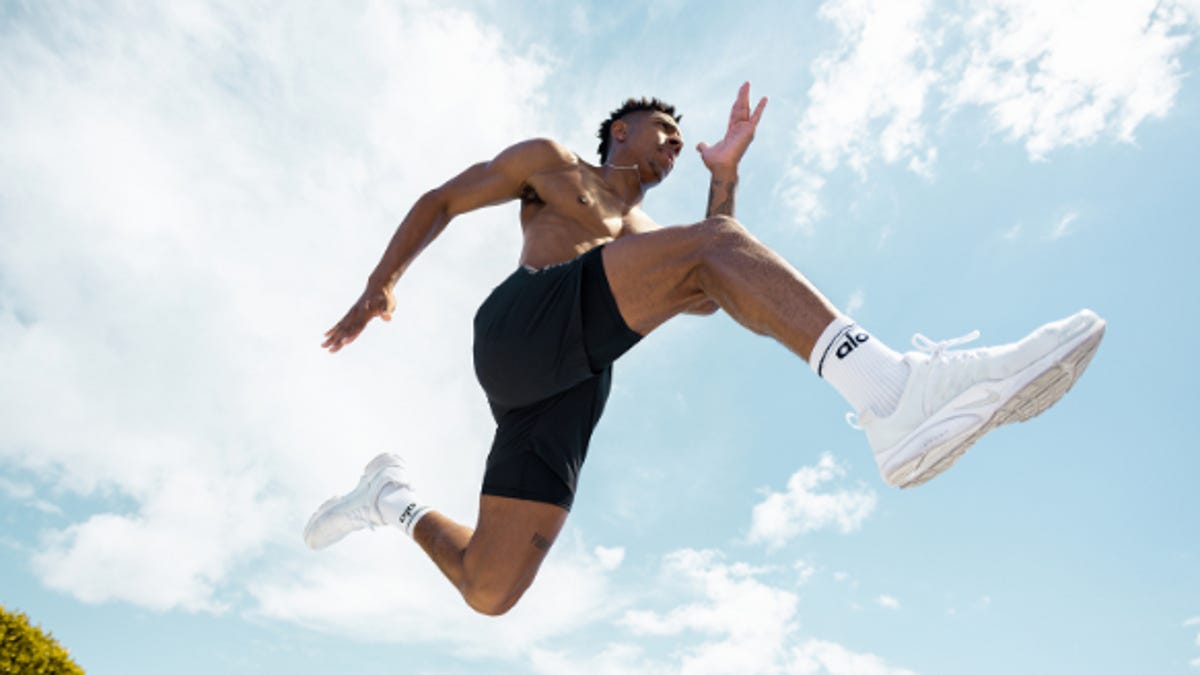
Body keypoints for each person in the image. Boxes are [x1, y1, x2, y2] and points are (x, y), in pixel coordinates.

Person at [303, 83, 1105, 616]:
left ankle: (389, 498)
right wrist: (379, 282)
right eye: (669, 134)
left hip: (571, 381)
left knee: (490, 586)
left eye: (684, 145)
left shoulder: (646, 235)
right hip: (523, 324)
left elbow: (715, 288)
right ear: (621, 129)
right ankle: (892, 391)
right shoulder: (552, 165)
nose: (674, 148)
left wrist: (724, 177)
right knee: (709, 249)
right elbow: (445, 198)